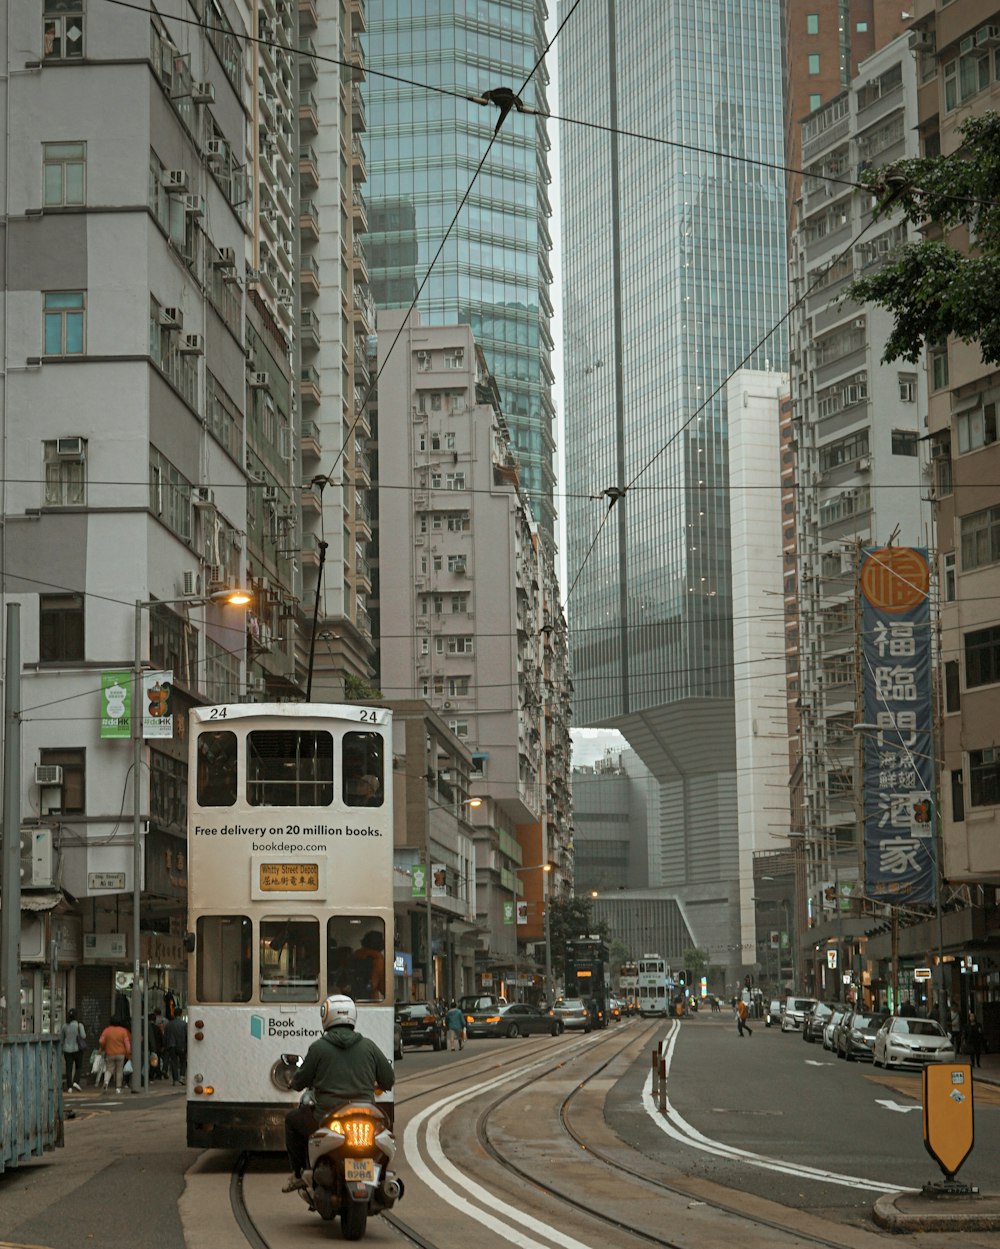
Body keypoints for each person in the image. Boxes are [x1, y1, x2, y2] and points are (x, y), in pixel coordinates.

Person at [283, 994, 395, 1193]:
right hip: (365, 1116)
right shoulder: (369, 1046)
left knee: (292, 1121)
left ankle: (298, 1174)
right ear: (352, 1016)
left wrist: (295, 1082)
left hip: (327, 1117)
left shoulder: (318, 1048)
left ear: (325, 1016)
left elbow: (300, 1081)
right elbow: (389, 1080)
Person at [98, 1015, 132, 1093]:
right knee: (119, 1070)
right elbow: (127, 1043)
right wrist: (129, 1052)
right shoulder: (123, 1031)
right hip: (121, 1054)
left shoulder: (107, 1030)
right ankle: (118, 1088)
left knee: (109, 1069)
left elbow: (101, 1041)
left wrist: (101, 1048)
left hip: (109, 1053)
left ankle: (106, 1082)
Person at [61, 1009, 87, 1091]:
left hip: (67, 1049)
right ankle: (76, 1081)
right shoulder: (79, 1025)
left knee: (69, 1068)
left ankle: (69, 1087)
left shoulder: (64, 1026)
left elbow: (62, 1038)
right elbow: (83, 1036)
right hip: (77, 1049)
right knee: (78, 1066)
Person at [163, 1011, 188, 1085]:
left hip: (171, 1045)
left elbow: (165, 1036)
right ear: (180, 1014)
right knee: (183, 1061)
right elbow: (187, 1035)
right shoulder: (184, 1024)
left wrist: (165, 1046)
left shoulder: (169, 1024)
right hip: (182, 1045)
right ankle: (182, 1077)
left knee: (174, 1062)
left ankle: (175, 1079)